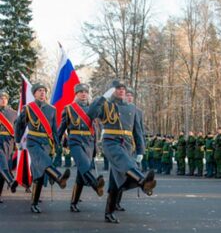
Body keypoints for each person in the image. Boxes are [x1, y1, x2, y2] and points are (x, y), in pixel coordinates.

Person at [87, 79, 156, 223]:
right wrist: (102, 97)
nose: (121, 90)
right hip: (111, 142)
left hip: (127, 145)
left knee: (116, 182)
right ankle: (142, 182)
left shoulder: (132, 108)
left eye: (123, 88)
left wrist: (140, 151)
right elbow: (91, 113)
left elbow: (138, 131)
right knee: (125, 162)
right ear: (112, 90)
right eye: (118, 88)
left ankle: (109, 213)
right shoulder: (105, 104)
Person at [15, 82, 70, 213]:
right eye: (39, 90)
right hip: (33, 142)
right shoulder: (28, 108)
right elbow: (19, 125)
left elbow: (54, 130)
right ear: (34, 94)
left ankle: (34, 203)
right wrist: (18, 140)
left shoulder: (52, 109)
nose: (42, 93)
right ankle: (58, 177)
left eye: (44, 91)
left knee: (39, 174)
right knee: (44, 161)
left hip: (46, 143)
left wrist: (57, 144)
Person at [58, 83, 105, 212]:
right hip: (75, 141)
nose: (84, 94)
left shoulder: (92, 109)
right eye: (81, 92)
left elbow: (95, 129)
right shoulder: (69, 109)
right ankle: (95, 185)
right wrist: (55, 142)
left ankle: (73, 203)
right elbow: (62, 127)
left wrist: (96, 147)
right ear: (76, 94)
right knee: (84, 164)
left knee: (81, 174)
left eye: (85, 92)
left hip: (89, 143)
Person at [0, 91, 18, 203]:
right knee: (2, 163)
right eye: (1, 98)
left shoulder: (14, 113)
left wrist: (17, 143)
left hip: (8, 143)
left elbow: (16, 130)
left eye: (5, 98)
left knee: (2, 168)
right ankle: (11, 181)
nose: (3, 100)